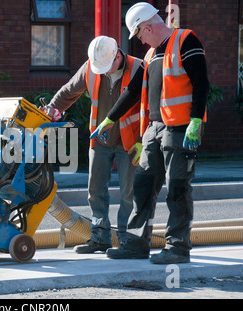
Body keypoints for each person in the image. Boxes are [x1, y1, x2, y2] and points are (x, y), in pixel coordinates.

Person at [92, 2, 209, 264]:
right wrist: (110, 119)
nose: (141, 41)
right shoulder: (151, 55)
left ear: (147, 27)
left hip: (181, 129)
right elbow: (133, 91)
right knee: (143, 186)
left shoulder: (185, 41)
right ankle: (136, 243)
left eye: (140, 35)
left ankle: (178, 247)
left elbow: (202, 83)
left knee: (177, 188)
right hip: (154, 130)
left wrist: (195, 121)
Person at [41, 35, 144, 253]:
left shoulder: (138, 68)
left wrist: (143, 140)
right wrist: (51, 109)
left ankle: (128, 242)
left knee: (129, 193)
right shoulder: (91, 66)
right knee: (95, 190)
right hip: (100, 140)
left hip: (131, 141)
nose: (104, 71)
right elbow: (69, 91)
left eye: (108, 67)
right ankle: (100, 238)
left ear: (118, 55)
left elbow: (151, 107)